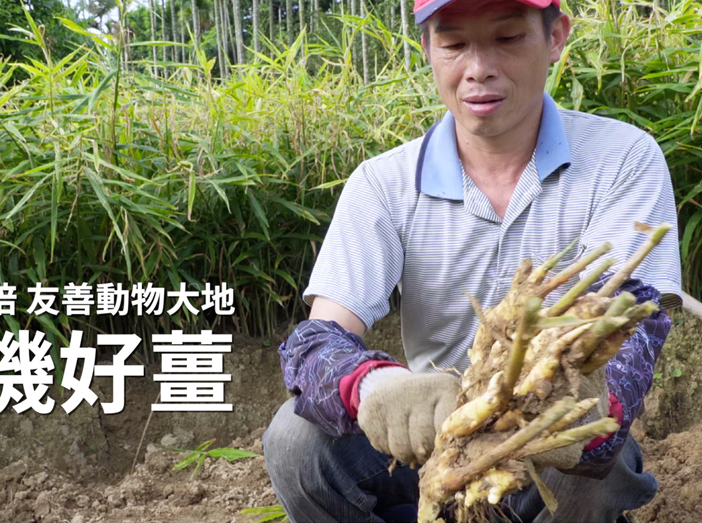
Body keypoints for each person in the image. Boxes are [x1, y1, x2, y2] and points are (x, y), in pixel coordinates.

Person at [261, 0, 682, 521]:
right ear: (427, 50)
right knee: (295, 439)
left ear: (555, 38)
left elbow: (632, 329)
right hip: (432, 441)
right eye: (455, 44)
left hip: (545, 444)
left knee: (598, 450)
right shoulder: (383, 183)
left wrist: (589, 412)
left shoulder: (623, 159)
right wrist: (374, 384)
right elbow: (317, 341)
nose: (478, 68)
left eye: (507, 39)